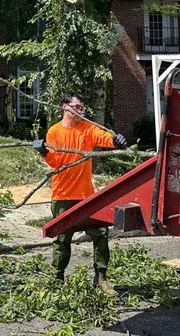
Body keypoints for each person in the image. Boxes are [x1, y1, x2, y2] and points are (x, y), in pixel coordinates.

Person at [33, 94, 126, 296]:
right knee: (62, 239)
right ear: (65, 108)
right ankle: (57, 278)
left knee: (101, 234)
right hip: (63, 196)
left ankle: (101, 278)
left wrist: (115, 141)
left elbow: (103, 138)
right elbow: (56, 162)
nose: (81, 111)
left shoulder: (87, 129)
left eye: (82, 108)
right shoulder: (54, 132)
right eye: (77, 107)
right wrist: (44, 152)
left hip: (86, 196)